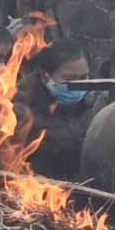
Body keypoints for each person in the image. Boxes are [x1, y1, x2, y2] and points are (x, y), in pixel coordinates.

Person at [18, 39, 97, 182]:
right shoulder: (22, 105)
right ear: (44, 76)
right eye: (69, 78)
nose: (79, 85)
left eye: (84, 77)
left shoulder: (91, 103)